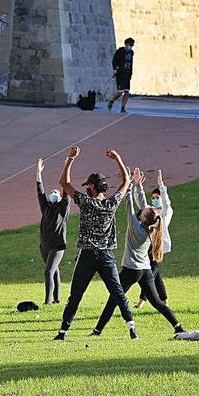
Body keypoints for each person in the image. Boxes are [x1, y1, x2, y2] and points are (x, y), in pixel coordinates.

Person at [54, 146, 137, 341]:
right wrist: (118, 158)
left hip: (88, 254)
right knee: (118, 292)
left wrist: (70, 159)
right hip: (106, 254)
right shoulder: (112, 203)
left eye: (87, 186)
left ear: (92, 187)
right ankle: (132, 329)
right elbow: (126, 181)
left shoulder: (85, 202)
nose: (85, 188)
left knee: (76, 294)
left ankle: (63, 332)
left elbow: (64, 183)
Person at [92, 167, 184, 336]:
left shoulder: (136, 226)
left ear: (142, 218)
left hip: (131, 270)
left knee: (114, 298)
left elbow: (128, 203)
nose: (143, 208)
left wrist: (127, 183)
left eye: (143, 211)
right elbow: (142, 205)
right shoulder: (152, 228)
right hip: (145, 270)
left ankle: (98, 330)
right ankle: (177, 326)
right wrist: (137, 185)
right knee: (157, 302)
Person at [132, 168, 174, 308]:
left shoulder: (165, 213)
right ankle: (164, 300)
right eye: (154, 197)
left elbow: (167, 203)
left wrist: (161, 186)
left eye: (158, 198)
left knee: (149, 274)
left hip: (158, 247)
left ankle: (142, 300)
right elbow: (140, 202)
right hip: (147, 245)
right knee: (155, 275)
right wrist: (137, 185)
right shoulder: (150, 211)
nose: (155, 200)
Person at [36, 158, 70, 305]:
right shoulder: (46, 207)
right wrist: (38, 172)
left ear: (61, 197)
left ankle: (48, 301)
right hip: (44, 245)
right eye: (52, 192)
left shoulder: (63, 209)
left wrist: (66, 166)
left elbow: (66, 187)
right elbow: (40, 190)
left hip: (57, 246)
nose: (53, 194)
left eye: (56, 192)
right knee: (53, 271)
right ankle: (56, 299)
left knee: (48, 271)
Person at [107, 37, 134, 113]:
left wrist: (131, 73)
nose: (131, 46)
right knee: (119, 92)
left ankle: (123, 108)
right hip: (120, 74)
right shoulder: (120, 51)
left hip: (127, 74)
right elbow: (114, 61)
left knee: (127, 92)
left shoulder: (131, 53)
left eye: (132, 45)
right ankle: (111, 100)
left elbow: (131, 63)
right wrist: (115, 69)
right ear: (126, 44)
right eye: (130, 44)